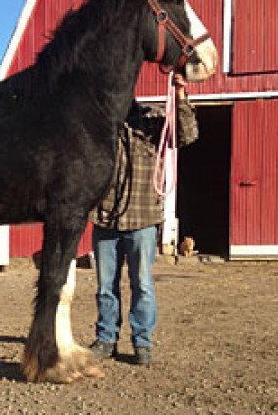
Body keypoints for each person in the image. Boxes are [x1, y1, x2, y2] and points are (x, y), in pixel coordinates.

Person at [89, 73, 198, 366]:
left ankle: (142, 342)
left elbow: (186, 134)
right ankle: (106, 338)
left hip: (142, 218)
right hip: (105, 218)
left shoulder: (153, 121)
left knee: (143, 284)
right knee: (105, 286)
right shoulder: (100, 127)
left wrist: (181, 96)